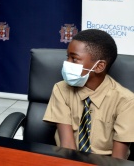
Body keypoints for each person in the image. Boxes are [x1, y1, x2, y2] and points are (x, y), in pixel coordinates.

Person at [43, 29, 134, 159]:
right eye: (67, 57)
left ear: (99, 66)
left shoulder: (126, 101)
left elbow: (118, 159)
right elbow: (67, 145)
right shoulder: (61, 89)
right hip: (69, 158)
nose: (67, 63)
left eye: (74, 59)